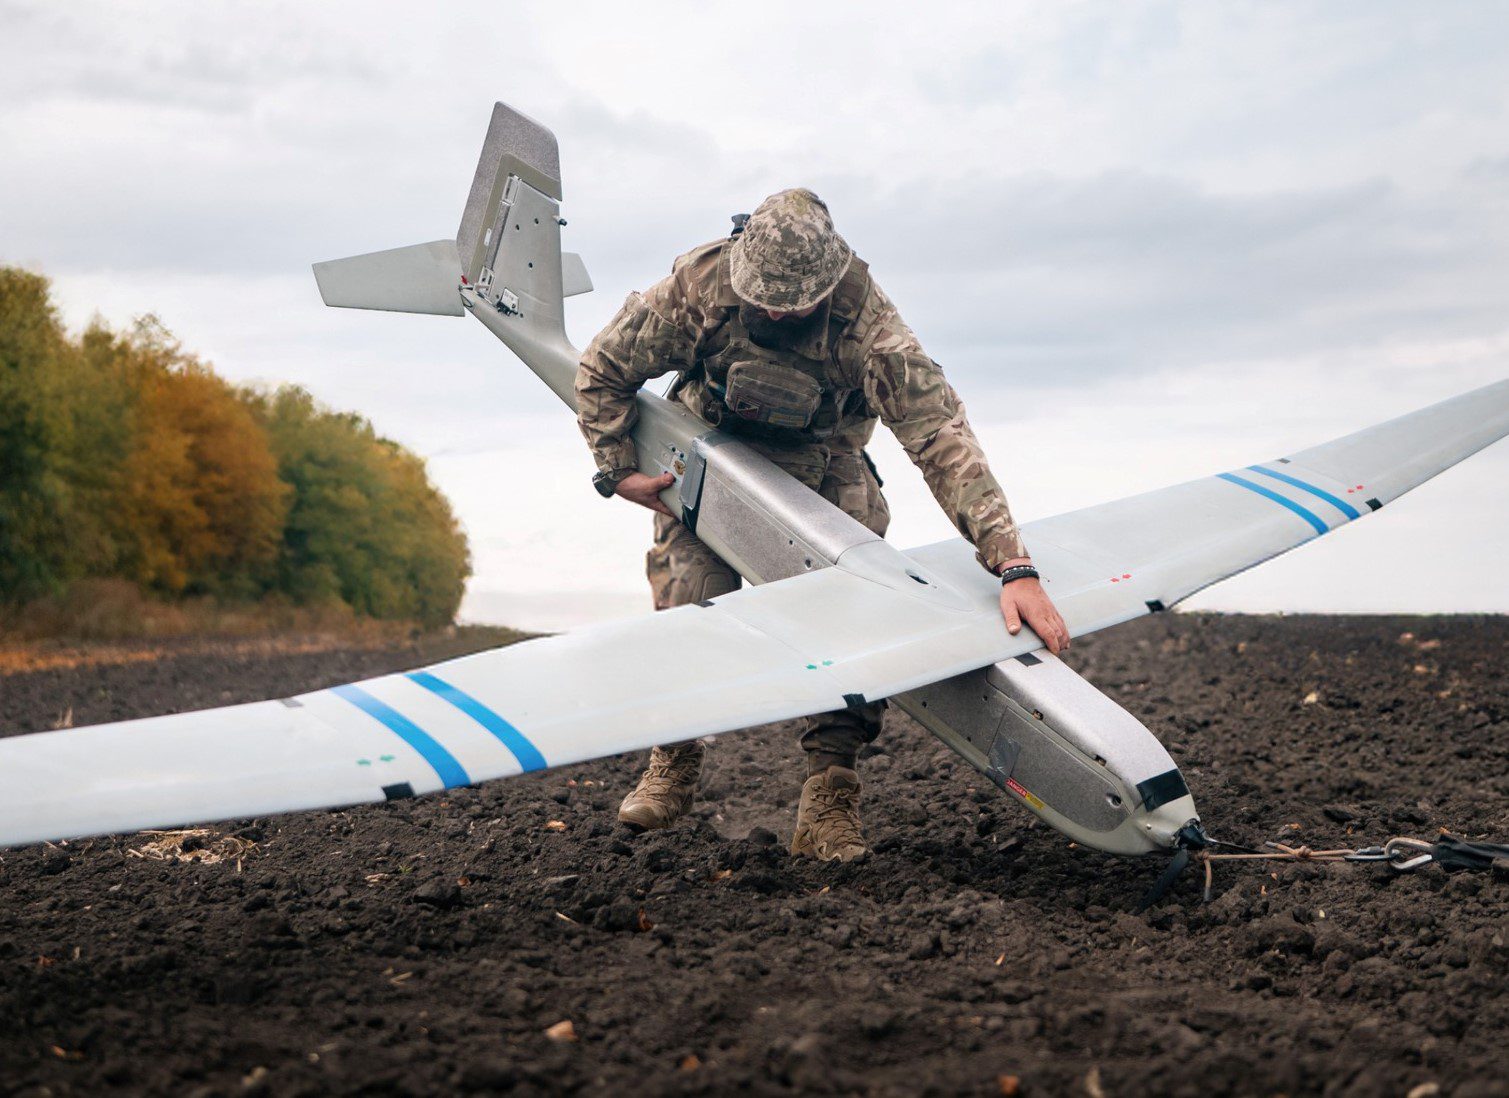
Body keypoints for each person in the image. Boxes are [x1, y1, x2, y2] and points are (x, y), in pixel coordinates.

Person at [574, 188, 1068, 862]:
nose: (775, 311)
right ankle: (673, 758)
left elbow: (939, 437)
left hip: (825, 460)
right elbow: (603, 368)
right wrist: (615, 468)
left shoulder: (868, 325)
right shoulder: (700, 287)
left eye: (791, 302)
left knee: (858, 617)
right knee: (686, 601)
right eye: (763, 299)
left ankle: (829, 792)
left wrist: (1013, 565)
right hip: (710, 454)